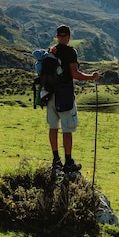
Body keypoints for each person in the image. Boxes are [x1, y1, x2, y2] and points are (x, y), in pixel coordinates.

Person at [47, 24, 99, 175]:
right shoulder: (70, 52)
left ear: (57, 37)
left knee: (53, 127)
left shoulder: (51, 50)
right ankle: (68, 162)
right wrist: (91, 77)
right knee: (67, 129)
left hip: (50, 94)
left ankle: (56, 160)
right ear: (69, 36)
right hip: (65, 95)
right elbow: (75, 74)